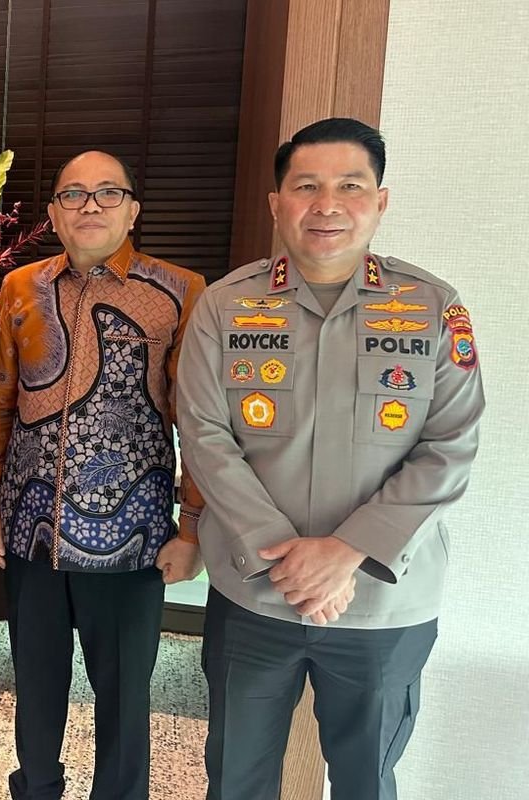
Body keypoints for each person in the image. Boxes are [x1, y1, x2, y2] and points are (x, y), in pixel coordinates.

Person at [176, 118, 485, 800]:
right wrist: (285, 556)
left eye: (350, 186)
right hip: (255, 595)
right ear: (276, 203)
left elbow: (452, 443)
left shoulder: (434, 308)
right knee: (235, 778)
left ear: (380, 201)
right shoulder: (225, 306)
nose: (327, 205)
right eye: (306, 186)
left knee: (365, 781)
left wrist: (346, 551)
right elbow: (203, 435)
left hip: (382, 602)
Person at [0, 150, 206, 800]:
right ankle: (37, 788)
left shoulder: (180, 291)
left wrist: (192, 526)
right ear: (53, 213)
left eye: (108, 193)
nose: (90, 205)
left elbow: (199, 422)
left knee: (124, 695)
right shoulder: (22, 288)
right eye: (73, 194)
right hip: (31, 529)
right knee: (35, 684)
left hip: (133, 538)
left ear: (133, 210)